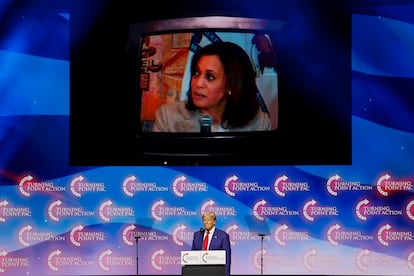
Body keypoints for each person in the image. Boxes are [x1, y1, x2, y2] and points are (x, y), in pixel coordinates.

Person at [152, 41, 271, 132]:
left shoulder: (259, 123)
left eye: (210, 77)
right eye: (196, 73)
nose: (198, 84)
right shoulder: (168, 117)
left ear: (231, 85)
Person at [191, 211, 231, 276]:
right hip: (199, 272)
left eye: (208, 220)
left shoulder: (223, 236)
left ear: (214, 222)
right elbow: (192, 255)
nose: (206, 222)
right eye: (204, 220)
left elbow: (227, 259)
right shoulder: (197, 235)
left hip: (216, 272)